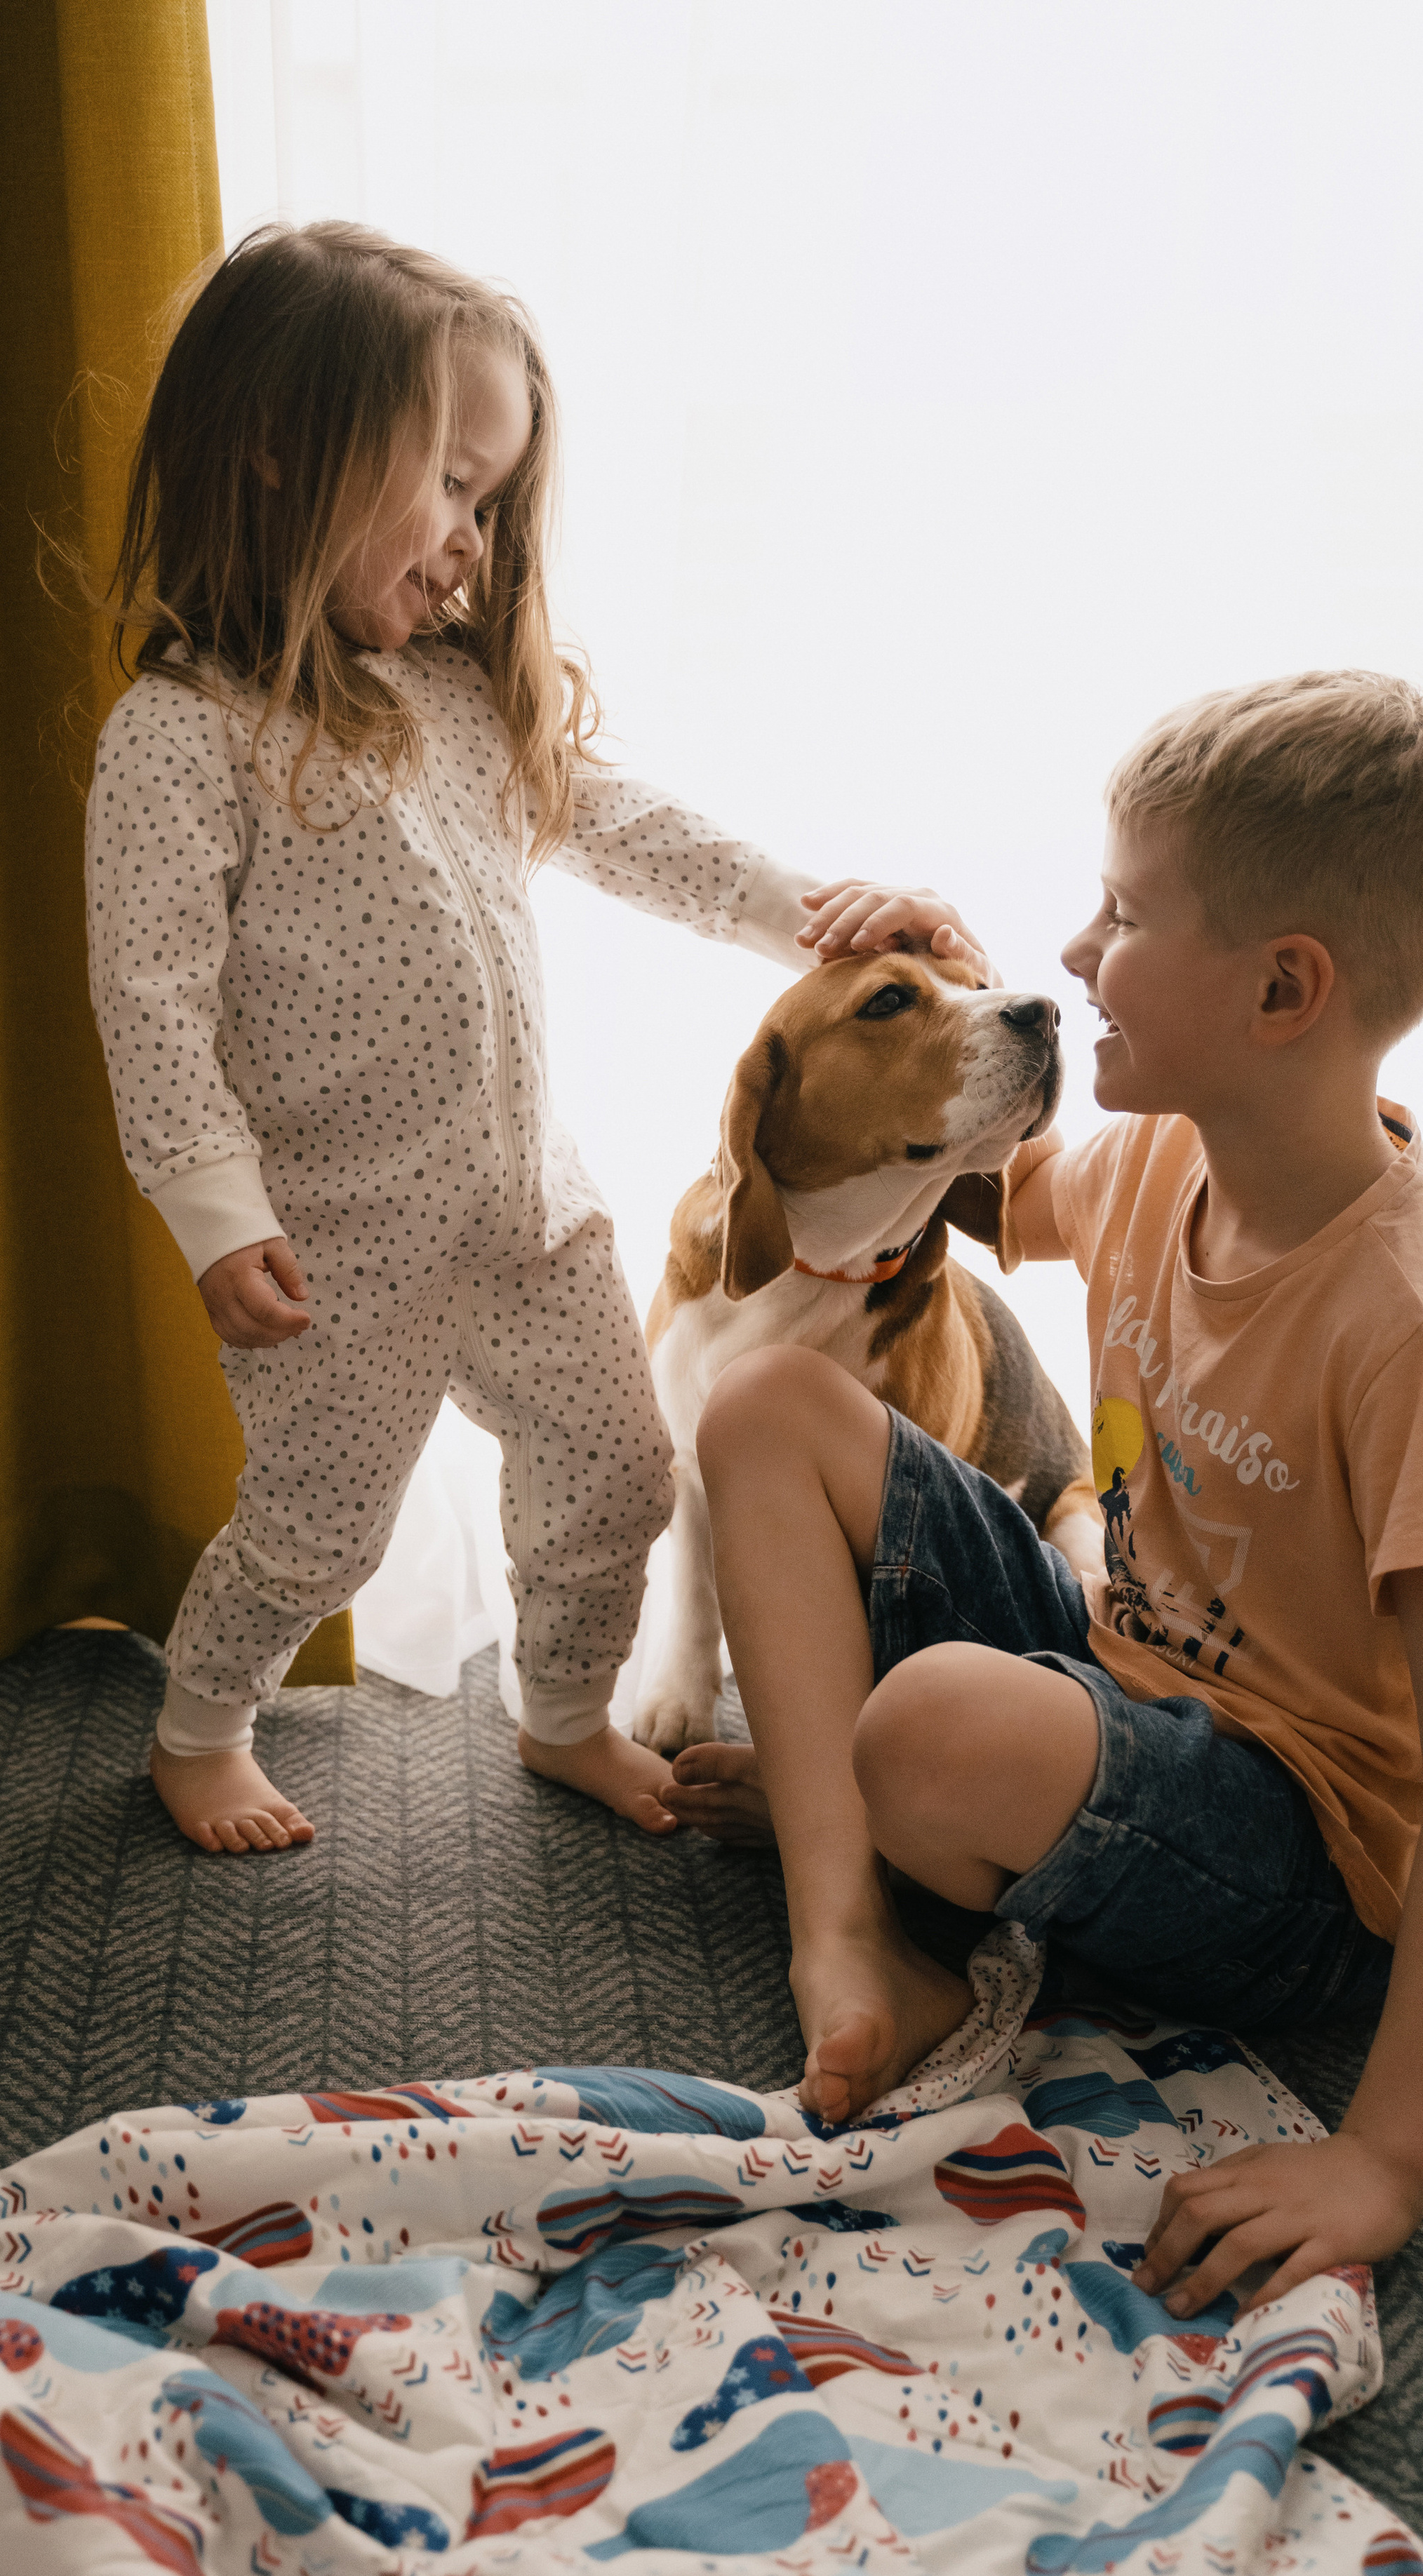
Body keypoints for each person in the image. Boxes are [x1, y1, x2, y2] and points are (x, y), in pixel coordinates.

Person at [84, 221, 897, 1858]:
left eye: (491, 502)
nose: (471, 541)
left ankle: (561, 1714)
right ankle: (199, 1728)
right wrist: (216, 1221)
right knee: (317, 1533)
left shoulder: (455, 697)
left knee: (613, 1478)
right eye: (449, 487)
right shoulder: (182, 740)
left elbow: (628, 830)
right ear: (275, 450)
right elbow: (150, 1000)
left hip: (528, 1212)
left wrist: (818, 913)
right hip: (340, 1253)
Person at [666, 670, 1423, 2313]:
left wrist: (1380, 2159)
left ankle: (895, 1808)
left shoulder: (1398, 1313)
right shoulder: (1160, 1154)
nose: (1068, 957)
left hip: (1299, 1843)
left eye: (1118, 914)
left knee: (924, 1727)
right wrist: (915, 962)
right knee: (765, 1402)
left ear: (1283, 989)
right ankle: (846, 1933)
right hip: (1115, 1670)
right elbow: (915, 1148)